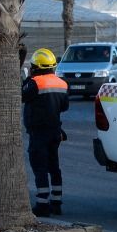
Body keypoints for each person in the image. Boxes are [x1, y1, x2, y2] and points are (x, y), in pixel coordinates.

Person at [21, 47, 70, 215]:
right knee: (54, 167)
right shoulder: (62, 83)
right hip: (55, 131)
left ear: (36, 67)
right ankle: (56, 203)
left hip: (38, 132)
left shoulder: (34, 83)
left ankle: (42, 205)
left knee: (40, 167)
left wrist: (28, 78)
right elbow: (64, 106)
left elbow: (21, 95)